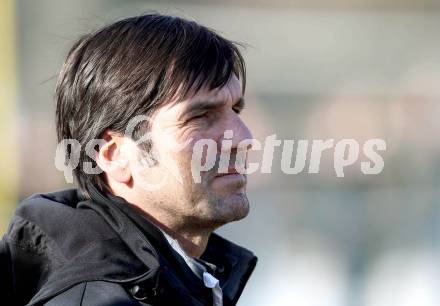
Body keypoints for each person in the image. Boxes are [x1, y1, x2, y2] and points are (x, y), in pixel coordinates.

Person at [0, 13, 257, 306]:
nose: (242, 137)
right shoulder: (98, 300)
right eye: (199, 116)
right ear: (115, 154)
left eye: (235, 110)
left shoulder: (185, 277)